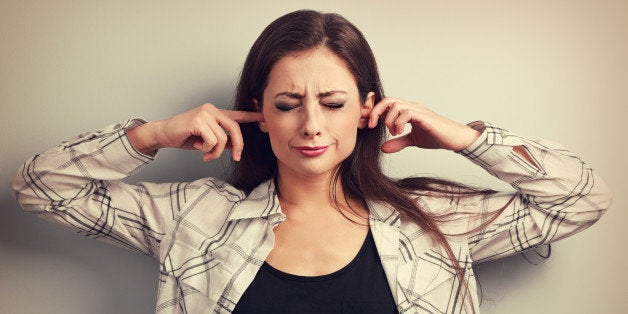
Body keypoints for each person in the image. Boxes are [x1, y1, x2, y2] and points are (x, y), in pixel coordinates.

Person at [11, 9, 611, 314]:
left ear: (366, 110)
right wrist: (154, 134)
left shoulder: (433, 221)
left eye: (332, 102)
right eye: (288, 104)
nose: (312, 125)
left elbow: (583, 196)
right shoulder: (195, 216)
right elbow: (41, 186)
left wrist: (462, 137)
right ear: (259, 113)